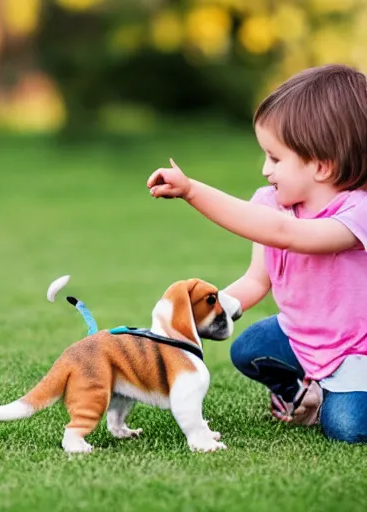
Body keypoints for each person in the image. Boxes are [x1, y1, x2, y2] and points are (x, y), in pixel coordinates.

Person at [146, 64, 367, 443]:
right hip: (301, 335)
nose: (265, 170)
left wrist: (193, 191)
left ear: (322, 165)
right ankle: (306, 395)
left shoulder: (356, 214)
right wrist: (202, 314)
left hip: (354, 349)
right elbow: (255, 280)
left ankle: (338, 393)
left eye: (276, 158)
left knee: (347, 428)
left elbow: (287, 235)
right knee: (249, 347)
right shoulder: (272, 205)